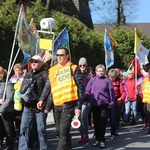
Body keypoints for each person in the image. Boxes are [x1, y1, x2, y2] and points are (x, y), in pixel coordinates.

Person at [39, 47, 84, 150]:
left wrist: (78, 106)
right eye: (57, 55)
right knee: (60, 132)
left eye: (61, 55)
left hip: (68, 105)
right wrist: (42, 99)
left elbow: (81, 89)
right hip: (56, 106)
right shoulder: (53, 70)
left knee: (63, 132)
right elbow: (48, 87)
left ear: (67, 56)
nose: (59, 57)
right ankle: (68, 147)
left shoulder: (73, 68)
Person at [18, 55, 48, 150]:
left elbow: (47, 91)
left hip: (39, 107)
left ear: (41, 63)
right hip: (28, 107)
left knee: (41, 130)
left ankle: (42, 148)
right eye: (32, 61)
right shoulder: (28, 74)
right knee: (23, 128)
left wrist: (46, 106)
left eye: (36, 61)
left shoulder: (45, 74)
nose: (33, 63)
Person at [85, 64, 115, 148]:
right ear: (96, 72)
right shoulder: (92, 80)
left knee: (102, 123)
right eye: (98, 71)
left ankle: (102, 140)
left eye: (102, 71)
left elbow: (111, 92)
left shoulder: (107, 81)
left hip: (104, 105)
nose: (100, 73)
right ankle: (97, 139)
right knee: (96, 123)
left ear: (104, 72)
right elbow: (87, 90)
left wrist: (112, 102)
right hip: (94, 104)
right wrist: (88, 97)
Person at [108, 69, 126, 140]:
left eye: (113, 77)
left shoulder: (119, 82)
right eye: (111, 77)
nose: (112, 78)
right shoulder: (107, 81)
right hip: (108, 100)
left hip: (116, 101)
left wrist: (121, 98)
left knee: (114, 117)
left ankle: (114, 131)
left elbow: (124, 92)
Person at [0, 66, 15, 150]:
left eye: (1, 73)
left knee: (8, 131)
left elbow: (9, 99)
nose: (0, 75)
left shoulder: (8, 84)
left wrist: (1, 110)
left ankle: (10, 147)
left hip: (7, 111)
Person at [78, 57, 91, 144]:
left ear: (86, 66)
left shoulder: (90, 76)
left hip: (86, 100)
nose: (82, 67)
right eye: (80, 65)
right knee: (78, 119)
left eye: (84, 65)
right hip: (78, 100)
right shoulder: (76, 75)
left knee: (83, 117)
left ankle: (86, 135)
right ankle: (82, 136)